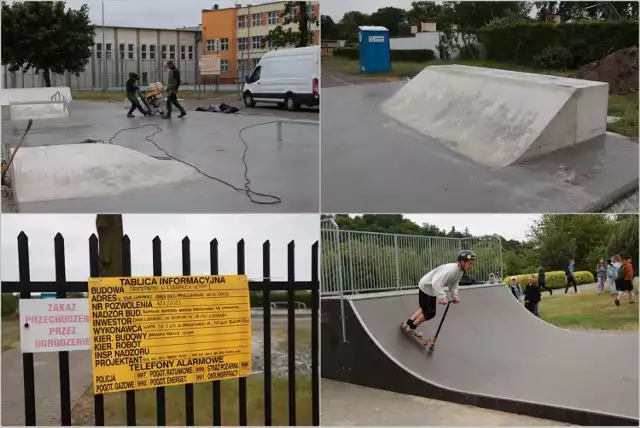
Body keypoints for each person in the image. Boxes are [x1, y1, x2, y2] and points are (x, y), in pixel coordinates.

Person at [400, 250, 476, 338]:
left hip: (431, 289)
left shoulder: (460, 271)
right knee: (429, 313)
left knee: (425, 309)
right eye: (470, 263)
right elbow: (436, 282)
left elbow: (454, 283)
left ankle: (407, 325)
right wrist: (442, 297)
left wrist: (454, 295)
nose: (471, 266)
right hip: (426, 286)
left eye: (472, 264)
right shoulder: (451, 271)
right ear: (462, 262)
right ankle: (411, 328)